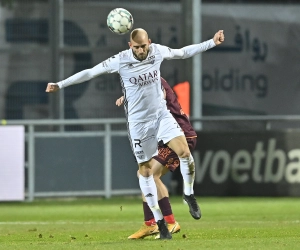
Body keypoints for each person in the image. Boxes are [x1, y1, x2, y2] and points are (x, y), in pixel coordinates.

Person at [46, 28, 225, 240]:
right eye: (137, 47)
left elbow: (183, 52)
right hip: (139, 124)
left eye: (144, 46)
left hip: (161, 116)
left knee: (184, 151)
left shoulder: (157, 51)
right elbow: (90, 72)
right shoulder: (120, 60)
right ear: (130, 46)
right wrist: (61, 84)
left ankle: (188, 194)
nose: (142, 50)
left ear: (149, 42)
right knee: (146, 172)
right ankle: (159, 223)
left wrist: (211, 42)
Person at [115, 77, 198, 239]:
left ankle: (168, 222)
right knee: (145, 175)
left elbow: (157, 96)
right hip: (166, 137)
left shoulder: (152, 78)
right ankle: (151, 223)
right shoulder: (145, 79)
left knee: (151, 175)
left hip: (179, 135)